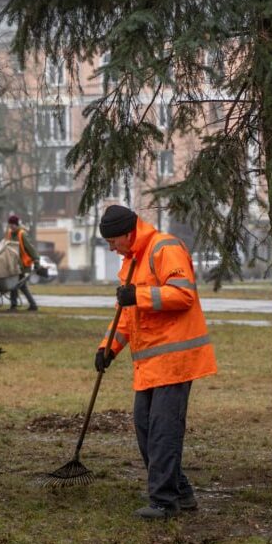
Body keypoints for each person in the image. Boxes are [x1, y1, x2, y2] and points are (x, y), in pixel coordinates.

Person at [95, 205, 217, 520]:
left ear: (127, 233)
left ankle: (164, 501)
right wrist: (108, 348)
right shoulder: (131, 262)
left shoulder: (165, 248)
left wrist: (139, 296)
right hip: (151, 362)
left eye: (112, 241)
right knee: (146, 428)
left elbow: (183, 294)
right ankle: (182, 493)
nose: (111, 247)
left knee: (163, 431)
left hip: (176, 358)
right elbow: (126, 315)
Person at [4, 214, 40, 311]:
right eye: (10, 225)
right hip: (14, 264)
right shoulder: (10, 234)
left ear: (16, 224)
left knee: (14, 284)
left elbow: (30, 248)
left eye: (13, 225)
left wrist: (36, 260)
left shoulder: (22, 234)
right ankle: (33, 305)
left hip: (23, 264)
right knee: (22, 286)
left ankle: (14, 306)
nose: (11, 227)